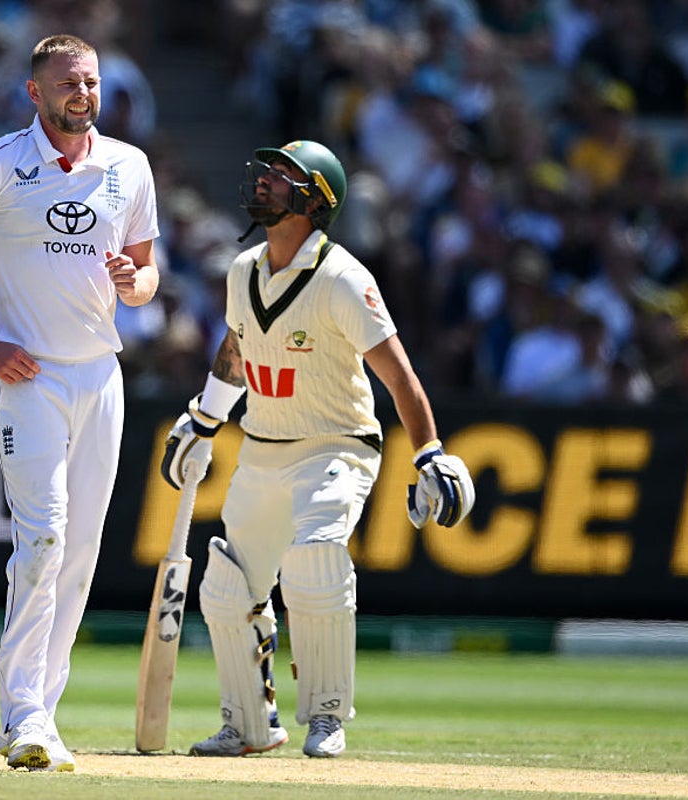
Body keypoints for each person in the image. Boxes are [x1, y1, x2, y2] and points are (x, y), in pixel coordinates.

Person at [161, 140, 474, 759]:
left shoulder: (343, 279)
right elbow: (236, 348)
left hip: (337, 446)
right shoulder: (242, 269)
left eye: (284, 176)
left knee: (316, 560)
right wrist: (205, 419)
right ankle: (249, 725)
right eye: (268, 171)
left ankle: (327, 716)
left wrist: (429, 452)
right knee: (226, 588)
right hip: (263, 447)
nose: (266, 181)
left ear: (314, 201)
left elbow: (399, 375)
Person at [0, 34, 160, 772]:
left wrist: (133, 283)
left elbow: (147, 275)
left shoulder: (129, 166)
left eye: (91, 82)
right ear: (35, 92)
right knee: (43, 539)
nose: (82, 94)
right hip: (28, 376)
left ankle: (43, 715)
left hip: (100, 375)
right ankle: (21, 715)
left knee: (79, 554)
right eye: (67, 83)